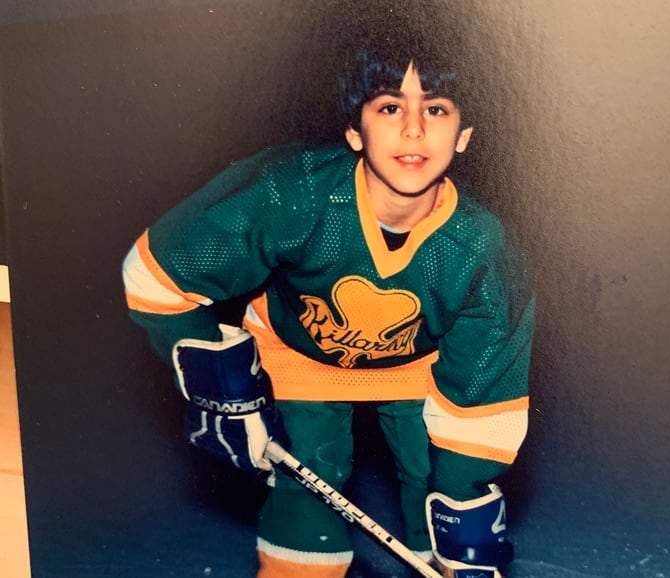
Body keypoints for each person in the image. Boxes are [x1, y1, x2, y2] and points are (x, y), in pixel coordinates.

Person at [122, 31, 535, 578]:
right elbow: (157, 276)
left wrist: (463, 509)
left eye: (435, 108)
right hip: (299, 355)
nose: (413, 128)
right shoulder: (289, 193)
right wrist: (219, 384)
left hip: (419, 368)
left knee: (436, 481)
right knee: (309, 473)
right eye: (390, 106)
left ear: (463, 136)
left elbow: (484, 395)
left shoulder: (480, 248)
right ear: (353, 132)